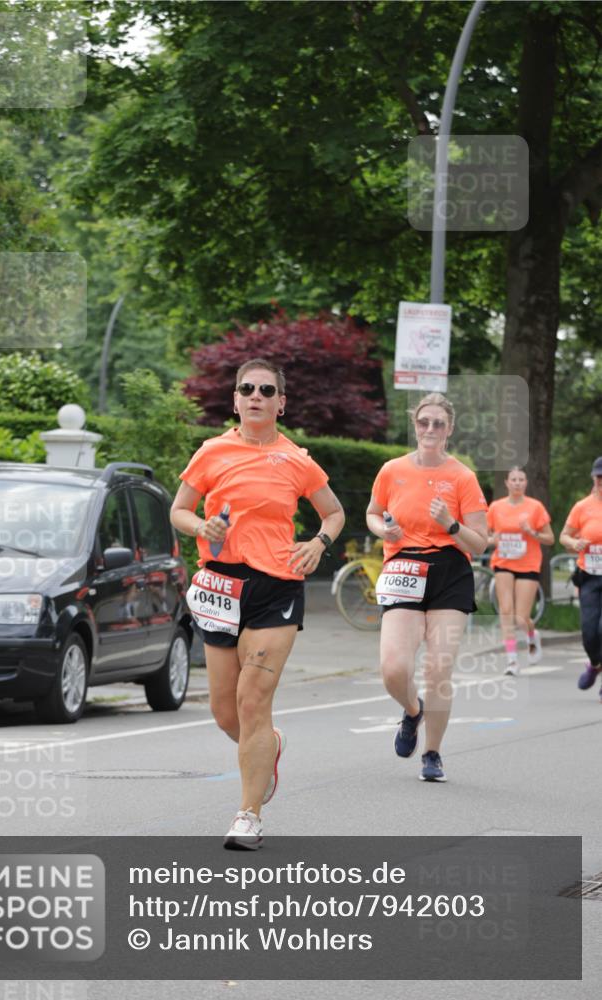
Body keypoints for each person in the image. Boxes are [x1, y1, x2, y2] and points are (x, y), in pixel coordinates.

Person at [170, 358, 344, 848]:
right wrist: (202, 527)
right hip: (221, 587)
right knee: (226, 713)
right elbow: (179, 509)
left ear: (281, 403)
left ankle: (248, 815)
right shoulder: (212, 452)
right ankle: (270, 749)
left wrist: (317, 544)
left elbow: (333, 513)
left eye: (267, 390)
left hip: (277, 587)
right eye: (247, 388)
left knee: (253, 701)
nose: (256, 396)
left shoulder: (297, 459)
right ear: (235, 399)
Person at [366, 392, 488, 783]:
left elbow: (480, 542)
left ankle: (432, 754)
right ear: (415, 425)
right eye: (424, 422)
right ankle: (413, 710)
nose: (430, 429)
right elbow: (371, 512)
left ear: (450, 429)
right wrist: (383, 529)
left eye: (439, 423)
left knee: (439, 668)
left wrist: (451, 523)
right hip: (403, 565)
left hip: (450, 570)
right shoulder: (391, 470)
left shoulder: (462, 476)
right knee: (393, 669)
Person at [486, 467, 554, 675]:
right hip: (503, 562)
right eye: (513, 479)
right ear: (506, 483)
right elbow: (485, 537)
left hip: (528, 564)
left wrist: (531, 532)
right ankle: (512, 661)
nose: (517, 483)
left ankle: (533, 636)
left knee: (520, 618)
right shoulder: (496, 507)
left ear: (526, 483)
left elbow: (550, 539)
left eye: (521, 479)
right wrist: (492, 540)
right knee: (506, 612)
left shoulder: (535, 507)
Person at [559, 456, 602, 699]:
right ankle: (595, 665)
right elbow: (564, 536)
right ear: (593, 478)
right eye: (598, 477)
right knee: (589, 632)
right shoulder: (582, 507)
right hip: (589, 576)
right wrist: (575, 542)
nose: (601, 482)